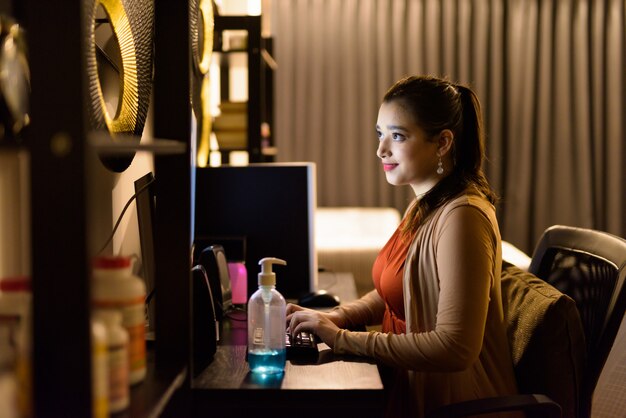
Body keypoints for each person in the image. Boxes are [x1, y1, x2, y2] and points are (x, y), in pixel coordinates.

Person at [286, 75, 519, 417]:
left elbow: (455, 349)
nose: (381, 150)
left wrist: (341, 339)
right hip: (407, 385)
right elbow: (395, 290)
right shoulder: (423, 205)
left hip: (452, 404)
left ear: (442, 143)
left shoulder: (463, 217)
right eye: (380, 134)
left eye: (397, 136)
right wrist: (336, 317)